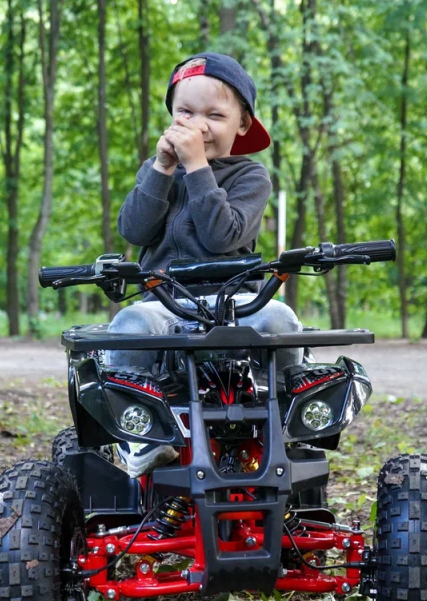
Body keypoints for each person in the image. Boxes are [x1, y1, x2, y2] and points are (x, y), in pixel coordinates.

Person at [107, 52, 302, 476]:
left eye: (215, 114)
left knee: (283, 320)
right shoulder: (157, 170)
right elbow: (134, 231)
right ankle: (141, 436)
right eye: (186, 112)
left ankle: (288, 426)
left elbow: (221, 235)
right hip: (166, 303)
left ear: (243, 124)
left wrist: (197, 167)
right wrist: (162, 167)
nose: (198, 125)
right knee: (128, 326)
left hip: (236, 304)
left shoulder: (251, 176)